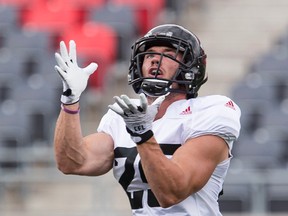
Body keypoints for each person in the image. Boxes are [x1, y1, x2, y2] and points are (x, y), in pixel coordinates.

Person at [54, 24, 241, 215]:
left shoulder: (210, 111)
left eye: (168, 53)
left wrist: (142, 134)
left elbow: (172, 192)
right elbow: (72, 162)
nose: (155, 60)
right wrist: (70, 100)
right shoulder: (124, 114)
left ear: (191, 67)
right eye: (149, 54)